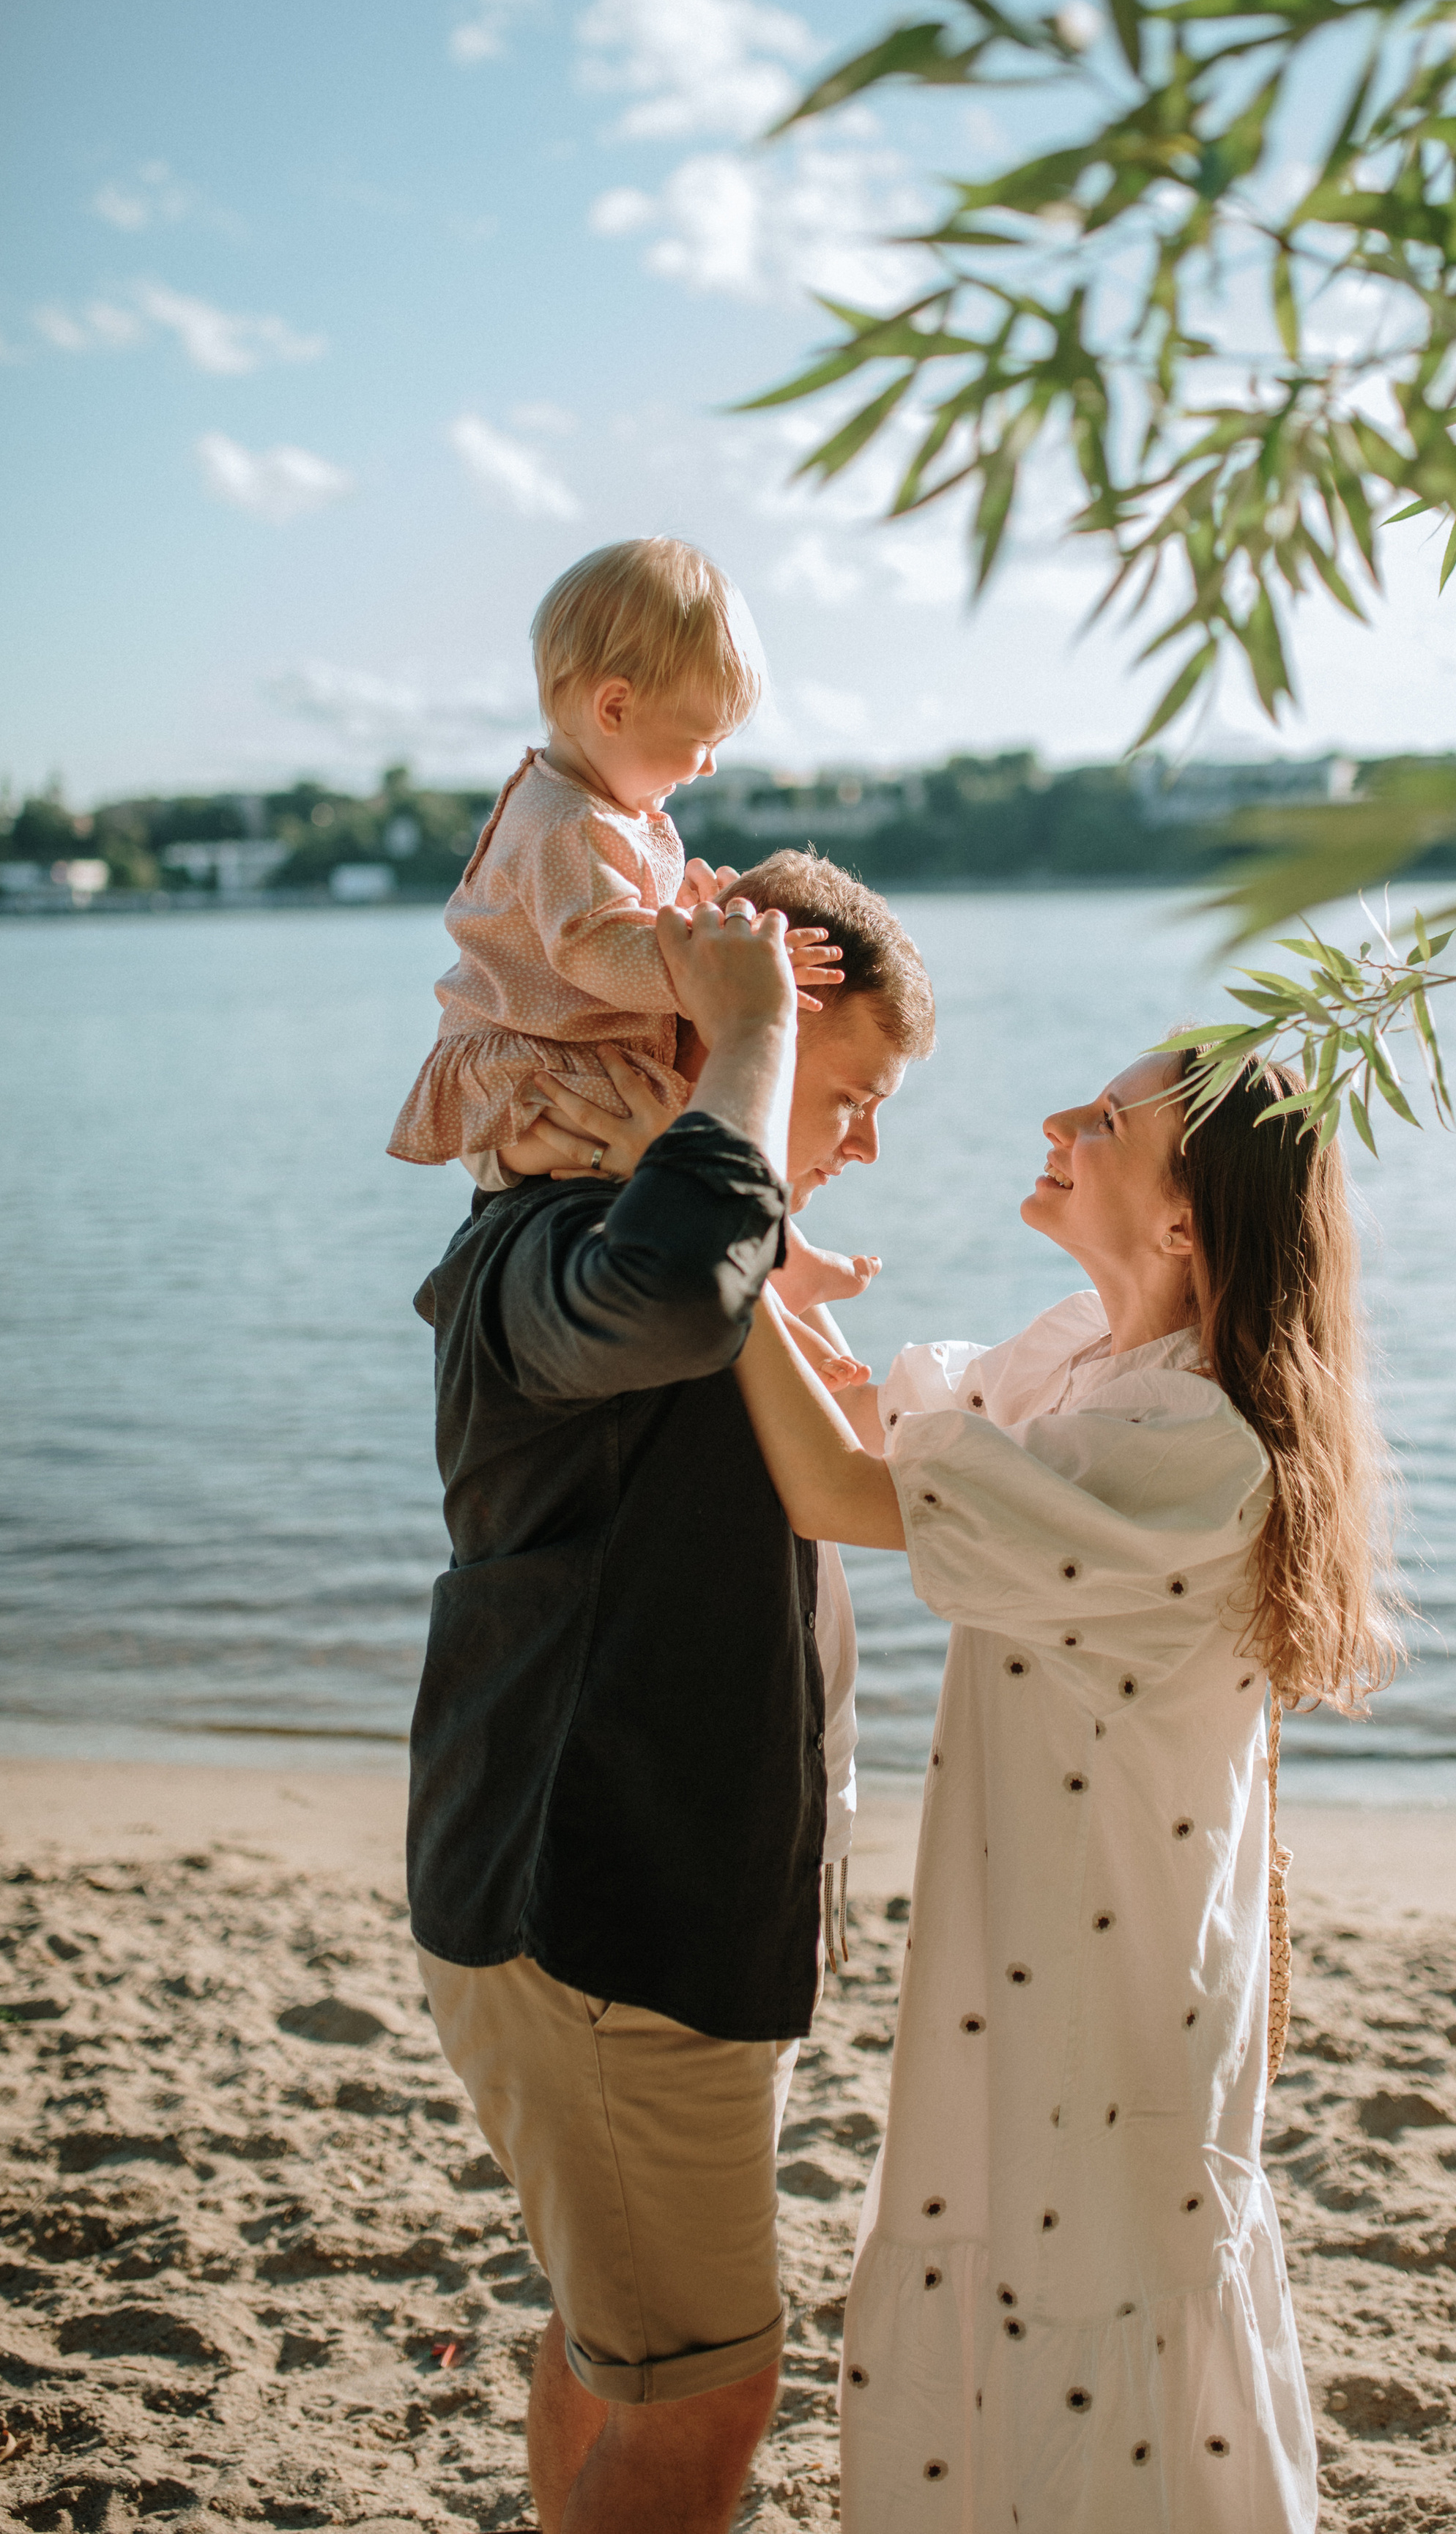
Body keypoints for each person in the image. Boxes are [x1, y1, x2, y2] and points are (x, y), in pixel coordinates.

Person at [729, 1047, 1397, 2533]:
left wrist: (698, 1218)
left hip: (1108, 1985)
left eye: (1103, 1122)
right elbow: (869, 1444)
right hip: (1034, 1956)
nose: (1053, 1124)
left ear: (1181, 1226)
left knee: (1098, 2306)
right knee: (1022, 2279)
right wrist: (758, 1271)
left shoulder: (1189, 1446)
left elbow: (840, 1495)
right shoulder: (1086, 1365)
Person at [406, 856, 935, 2534]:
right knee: (704, 2388)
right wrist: (748, 1037)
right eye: (836, 1091)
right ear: (705, 1039)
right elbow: (666, 1289)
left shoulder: (717, 1277)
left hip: (660, 1923)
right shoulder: (546, 1254)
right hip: (598, 1921)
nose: (854, 1144)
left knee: (634, 2344)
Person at [389, 535, 846, 1164]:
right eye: (701, 738)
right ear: (615, 707)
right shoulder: (566, 822)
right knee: (693, 1150)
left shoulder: (597, 806)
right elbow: (594, 947)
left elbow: (614, 921)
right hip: (529, 1074)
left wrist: (686, 918)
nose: (710, 766)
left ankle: (777, 1250)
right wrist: (716, 964)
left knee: (699, 1139)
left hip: (569, 1058)